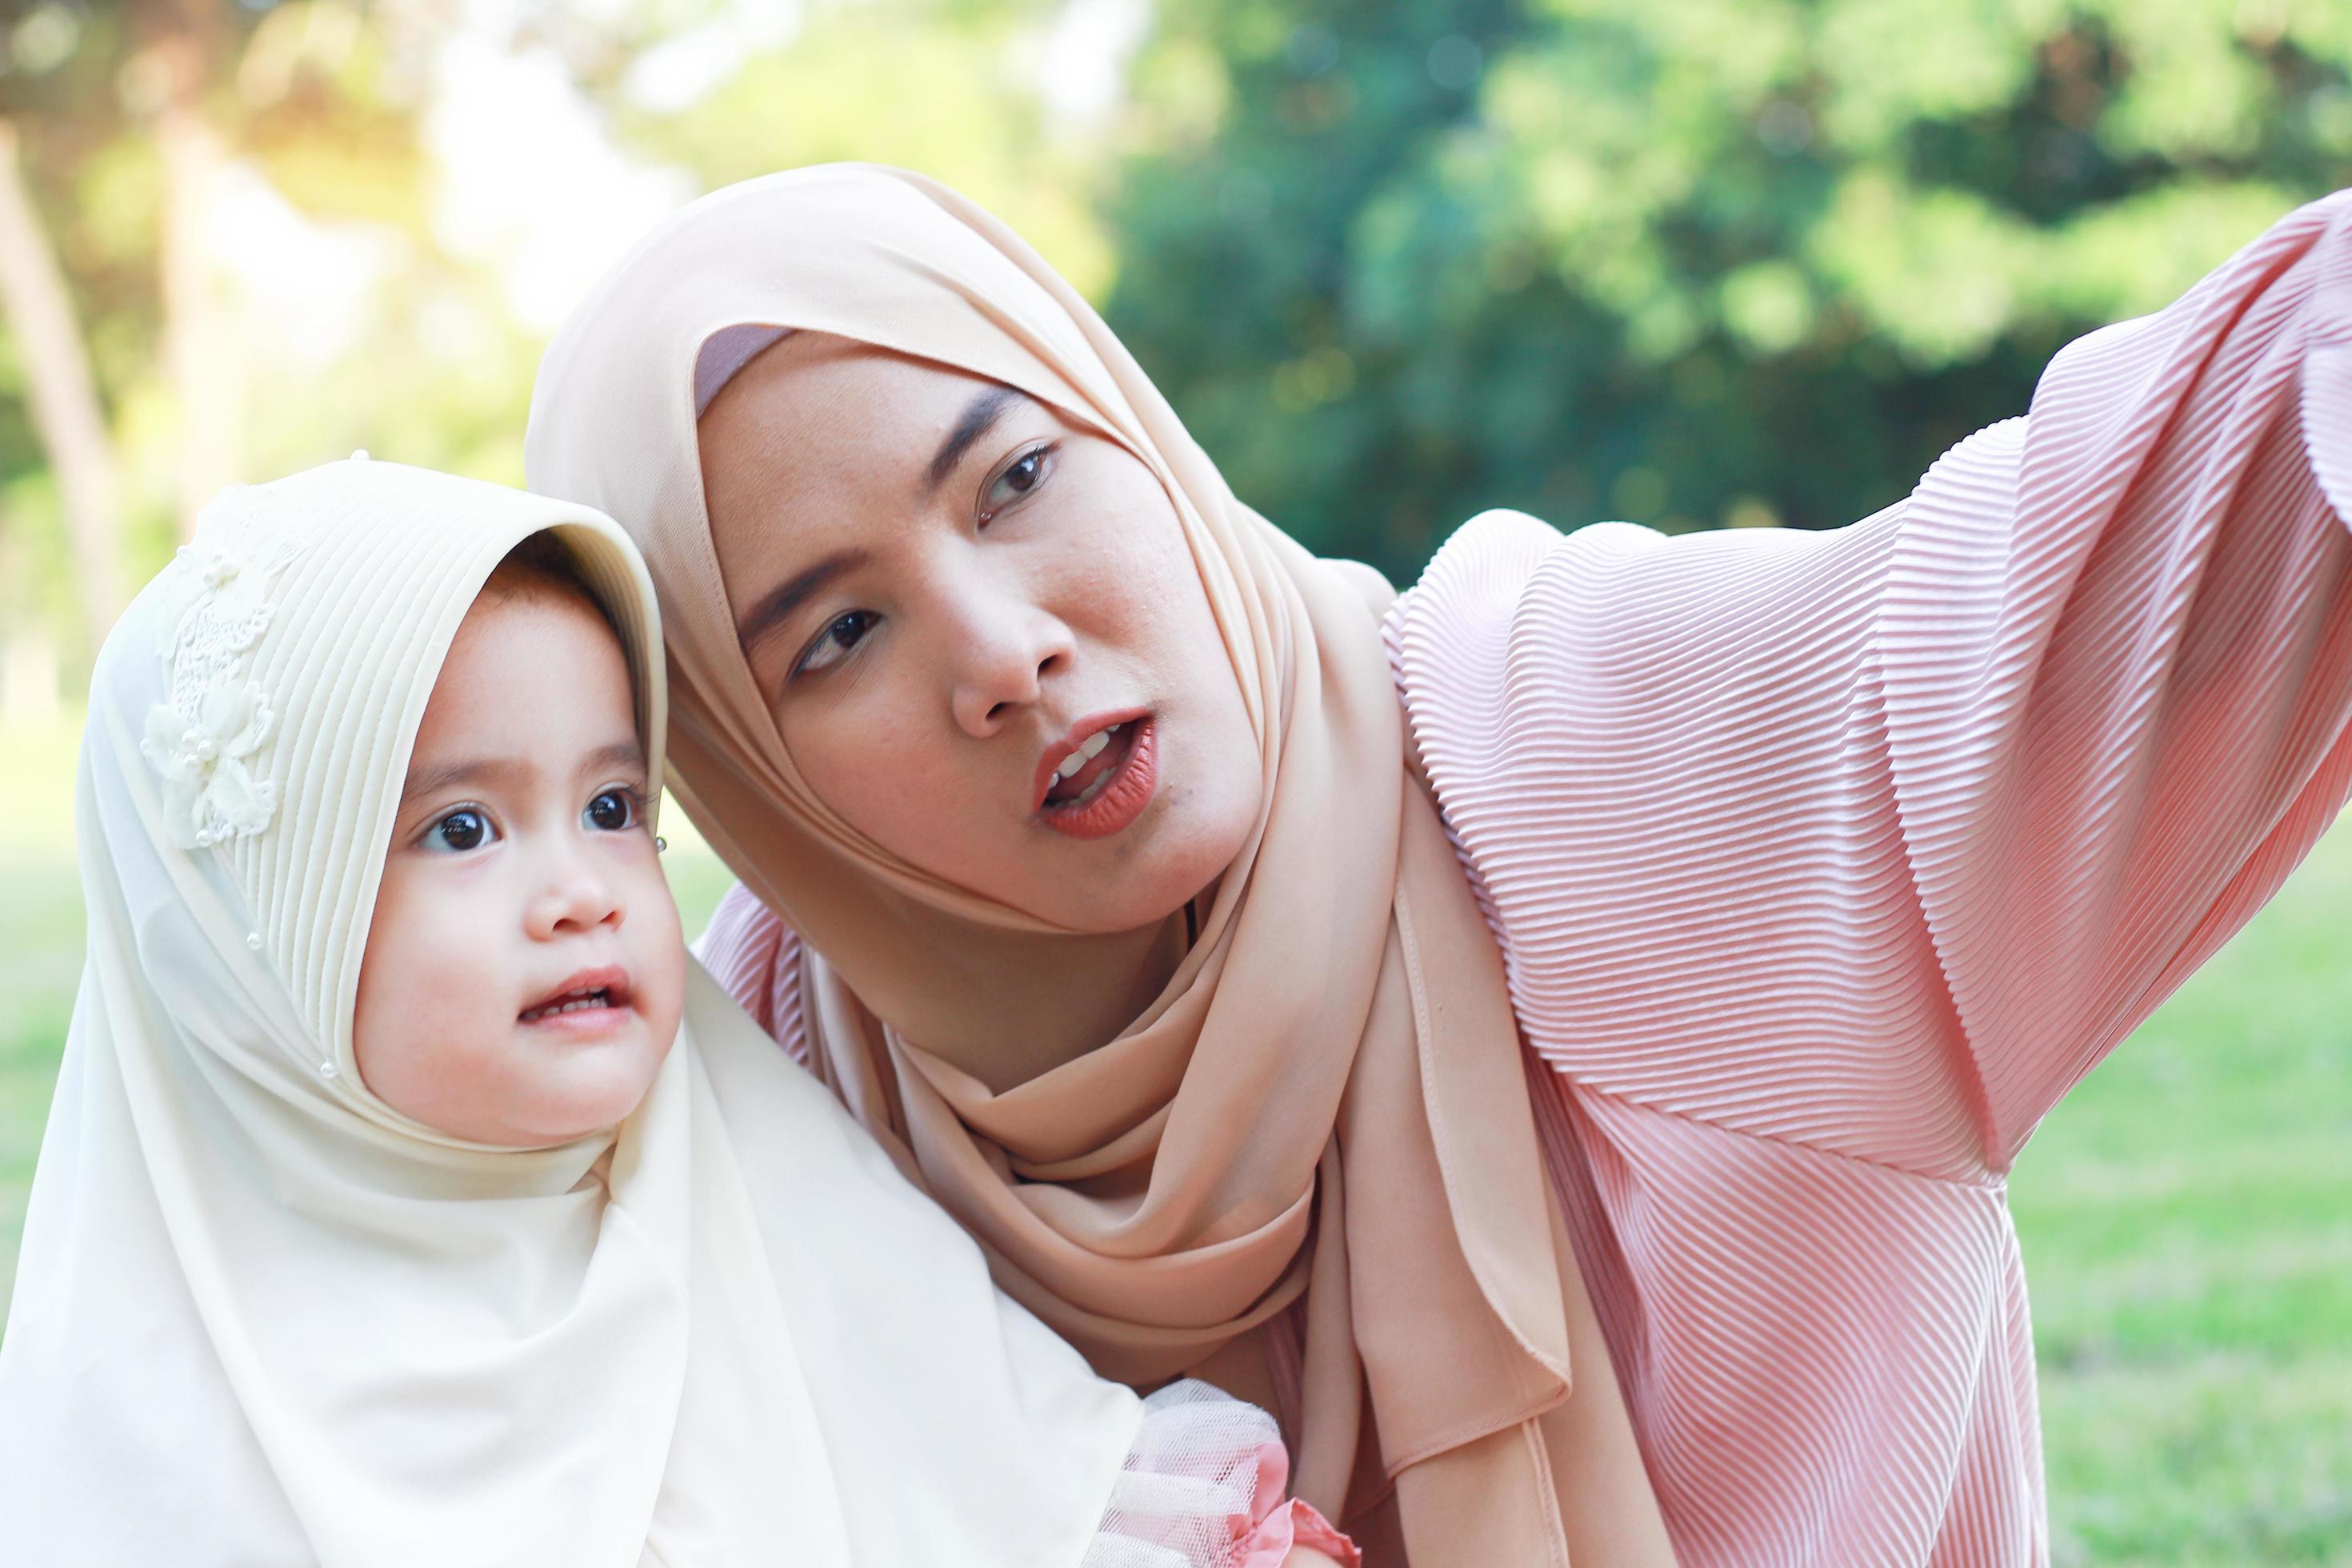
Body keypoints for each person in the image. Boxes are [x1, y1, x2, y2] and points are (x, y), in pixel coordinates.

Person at [522, 165, 2352, 1566]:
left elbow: (2219, 464)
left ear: (1136, 434)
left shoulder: (1616, 768)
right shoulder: (760, 1096)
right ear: (750, 779)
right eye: (833, 637)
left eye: (1013, 479)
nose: (1001, 650)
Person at [0, 457, 1355, 1568]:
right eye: (462, 829)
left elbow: (1016, 1490)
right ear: (246, 945)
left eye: (612, 809)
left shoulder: (768, 1204)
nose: (581, 892)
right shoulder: (141, 1425)